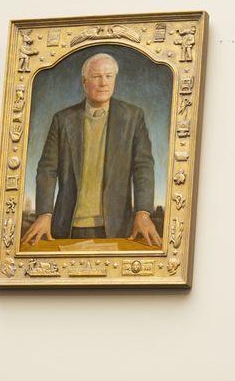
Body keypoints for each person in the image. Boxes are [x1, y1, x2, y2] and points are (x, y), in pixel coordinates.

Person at [20, 52, 162, 248]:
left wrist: (143, 212)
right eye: (96, 77)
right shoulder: (62, 120)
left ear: (114, 79)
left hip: (118, 226)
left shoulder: (133, 116)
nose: (103, 82)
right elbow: (47, 169)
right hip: (67, 225)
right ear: (84, 82)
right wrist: (44, 214)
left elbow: (143, 167)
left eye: (109, 76)